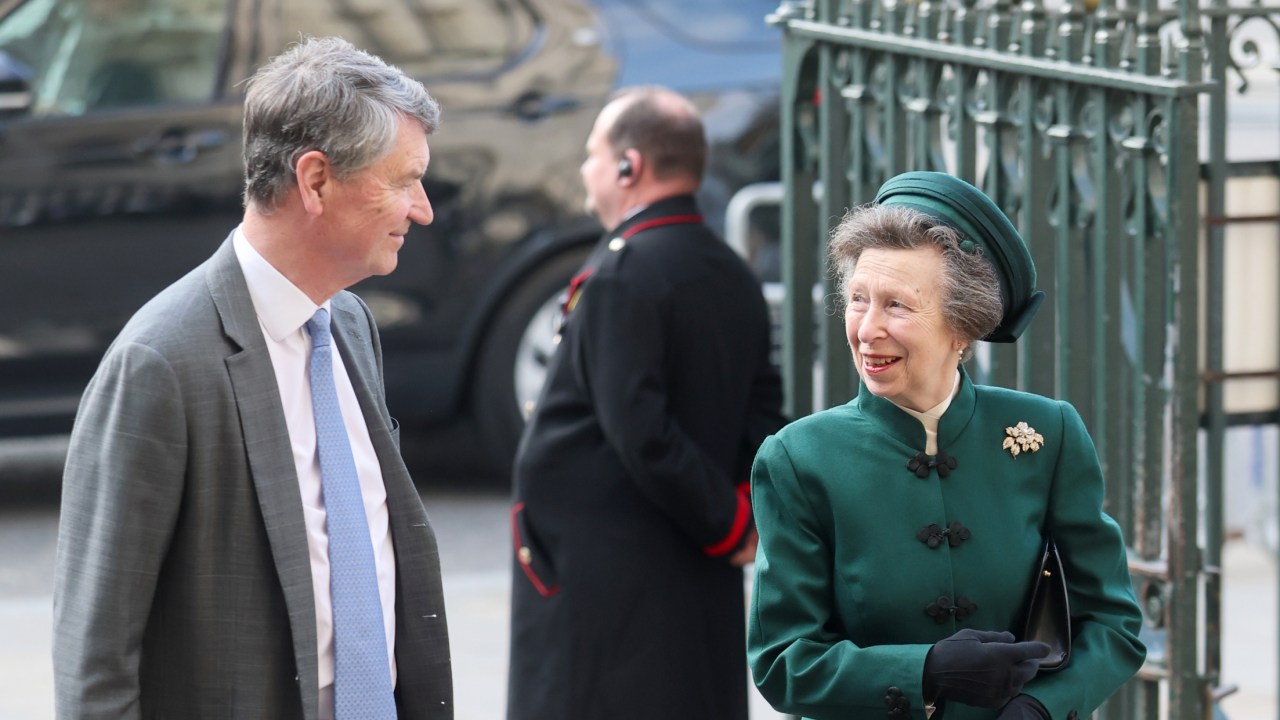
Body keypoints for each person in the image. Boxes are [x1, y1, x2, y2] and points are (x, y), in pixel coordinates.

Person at [53, 36, 452, 719]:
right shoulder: (161, 364)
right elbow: (95, 659)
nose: (423, 209)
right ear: (316, 180)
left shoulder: (349, 324)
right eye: (401, 180)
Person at [747, 171, 1146, 720]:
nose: (867, 329)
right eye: (858, 299)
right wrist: (923, 671)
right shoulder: (798, 459)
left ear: (962, 328)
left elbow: (1113, 623)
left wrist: (1042, 707)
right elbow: (782, 661)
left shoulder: (1048, 433)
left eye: (897, 305)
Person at [506, 86, 786, 720]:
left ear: (629, 166)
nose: (585, 169)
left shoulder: (624, 274)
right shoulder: (729, 270)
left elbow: (641, 431)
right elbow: (761, 412)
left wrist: (729, 522)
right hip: (683, 559)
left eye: (593, 154)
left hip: (611, 576)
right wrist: (741, 508)